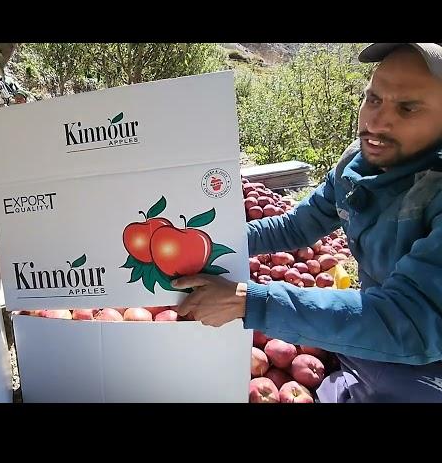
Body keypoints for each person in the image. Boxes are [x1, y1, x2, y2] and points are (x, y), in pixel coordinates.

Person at [172, 43, 442, 403]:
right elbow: (297, 226)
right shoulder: (356, 166)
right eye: (373, 98)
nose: (376, 121)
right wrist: (214, 241)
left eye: (407, 107)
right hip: (371, 324)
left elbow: (408, 319)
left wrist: (250, 302)